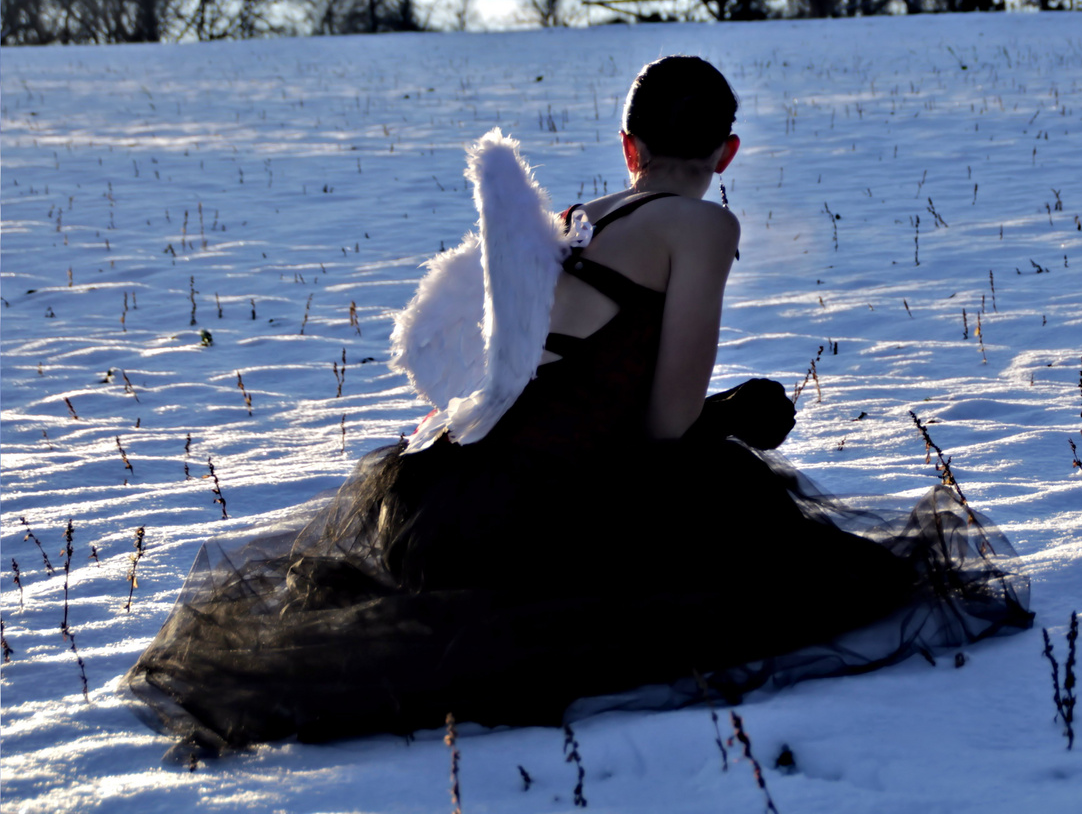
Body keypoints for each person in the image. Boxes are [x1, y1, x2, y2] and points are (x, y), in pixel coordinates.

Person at [125, 56, 1032, 754]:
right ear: (728, 155)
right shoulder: (704, 224)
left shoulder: (575, 222)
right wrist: (735, 416)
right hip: (526, 514)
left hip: (437, 495)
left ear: (628, 147)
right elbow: (667, 427)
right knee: (757, 526)